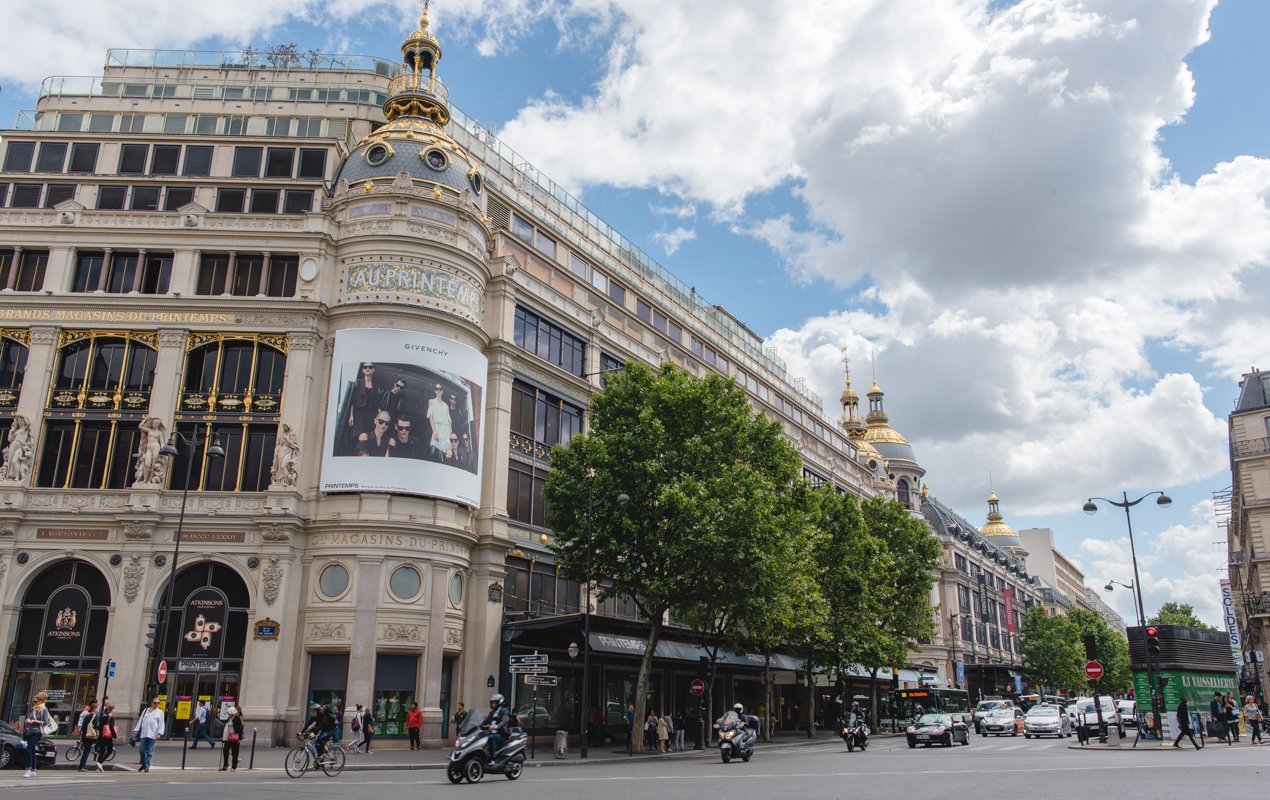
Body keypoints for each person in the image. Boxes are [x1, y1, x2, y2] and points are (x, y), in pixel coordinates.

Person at [345, 363, 383, 449]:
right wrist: (351, 415)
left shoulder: (376, 386)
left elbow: (378, 404)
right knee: (359, 435)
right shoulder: (358, 383)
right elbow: (352, 401)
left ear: (373, 370)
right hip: (360, 413)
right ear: (363, 370)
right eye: (365, 367)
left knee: (369, 436)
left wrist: (379, 416)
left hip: (372, 414)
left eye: (370, 367)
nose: (368, 368)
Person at [23, 690, 54, 778]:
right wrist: (27, 720)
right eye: (33, 701)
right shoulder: (33, 709)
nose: (34, 702)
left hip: (37, 732)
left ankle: (28, 769)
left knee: (29, 749)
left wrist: (36, 721)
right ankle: (33, 770)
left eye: (35, 701)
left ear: (41, 701)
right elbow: (28, 717)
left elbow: (47, 722)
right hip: (29, 731)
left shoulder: (43, 709)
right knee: (32, 750)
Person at [132, 696, 165, 773]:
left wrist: (159, 733)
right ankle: (144, 763)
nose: (156, 704)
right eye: (155, 703)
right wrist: (136, 730)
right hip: (144, 733)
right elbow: (141, 720)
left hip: (153, 734)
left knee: (150, 751)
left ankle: (147, 766)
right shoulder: (146, 710)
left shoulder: (160, 712)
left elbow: (161, 723)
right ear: (152, 703)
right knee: (142, 750)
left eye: (158, 703)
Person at [426, 384, 453, 460]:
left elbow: (449, 421)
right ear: (434, 390)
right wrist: (434, 432)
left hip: (445, 433)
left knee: (444, 456)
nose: (438, 390)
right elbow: (431, 417)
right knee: (433, 452)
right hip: (437, 431)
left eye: (440, 389)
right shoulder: (431, 401)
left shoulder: (446, 406)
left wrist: (451, 435)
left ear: (442, 391)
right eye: (436, 389)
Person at [482, 693, 510, 759]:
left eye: (494, 703)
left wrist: (496, 726)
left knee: (491, 737)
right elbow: (485, 722)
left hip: (501, 734)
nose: (493, 704)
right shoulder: (491, 713)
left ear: (499, 703)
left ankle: (492, 758)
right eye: (492, 703)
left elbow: (503, 722)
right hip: (492, 733)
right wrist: (477, 725)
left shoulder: (504, 711)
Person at [76, 700, 99, 771]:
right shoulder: (95, 716)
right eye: (98, 708)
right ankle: (82, 767)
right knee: (87, 751)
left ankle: (81, 766)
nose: (98, 709)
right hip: (90, 736)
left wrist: (82, 738)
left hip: (85, 735)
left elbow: (83, 727)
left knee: (86, 751)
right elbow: (96, 726)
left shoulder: (87, 716)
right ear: (94, 709)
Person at [94, 702, 117, 772]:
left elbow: (99, 727)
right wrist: (114, 735)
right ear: (111, 711)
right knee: (109, 750)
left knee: (102, 751)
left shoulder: (102, 718)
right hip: (108, 736)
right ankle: (100, 762)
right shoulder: (111, 718)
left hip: (101, 736)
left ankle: (98, 767)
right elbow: (111, 727)